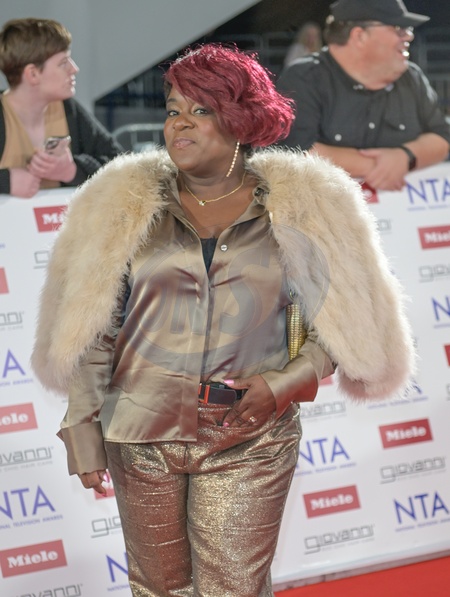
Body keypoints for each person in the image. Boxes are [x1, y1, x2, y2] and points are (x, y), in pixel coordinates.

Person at [31, 44, 415, 596]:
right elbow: (96, 330)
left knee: (232, 589)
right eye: (172, 110)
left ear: (241, 119)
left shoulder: (305, 206)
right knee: (157, 589)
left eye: (201, 110)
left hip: (250, 435)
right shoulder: (125, 205)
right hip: (138, 434)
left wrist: (282, 385)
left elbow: (340, 329)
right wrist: (82, 430)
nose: (179, 124)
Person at [277, 0, 450, 191]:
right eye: (398, 28)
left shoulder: (411, 77)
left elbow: (443, 136)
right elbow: (295, 150)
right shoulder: (304, 78)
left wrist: (405, 156)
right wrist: (379, 167)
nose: (408, 35)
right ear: (359, 35)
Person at [0, 18, 123, 198]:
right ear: (33, 74)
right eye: (63, 63)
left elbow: (122, 163)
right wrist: (5, 181)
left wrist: (72, 170)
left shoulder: (68, 109)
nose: (74, 69)